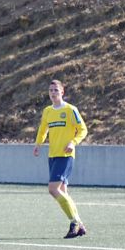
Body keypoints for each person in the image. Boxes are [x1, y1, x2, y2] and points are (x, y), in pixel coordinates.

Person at [33, 80, 88, 239]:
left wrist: (73, 142)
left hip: (66, 156)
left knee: (53, 189)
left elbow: (83, 130)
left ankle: (74, 222)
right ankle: (80, 225)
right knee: (62, 192)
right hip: (53, 155)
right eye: (50, 90)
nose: (53, 93)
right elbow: (43, 129)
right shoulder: (48, 111)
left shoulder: (71, 110)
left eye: (56, 90)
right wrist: (38, 144)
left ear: (62, 92)